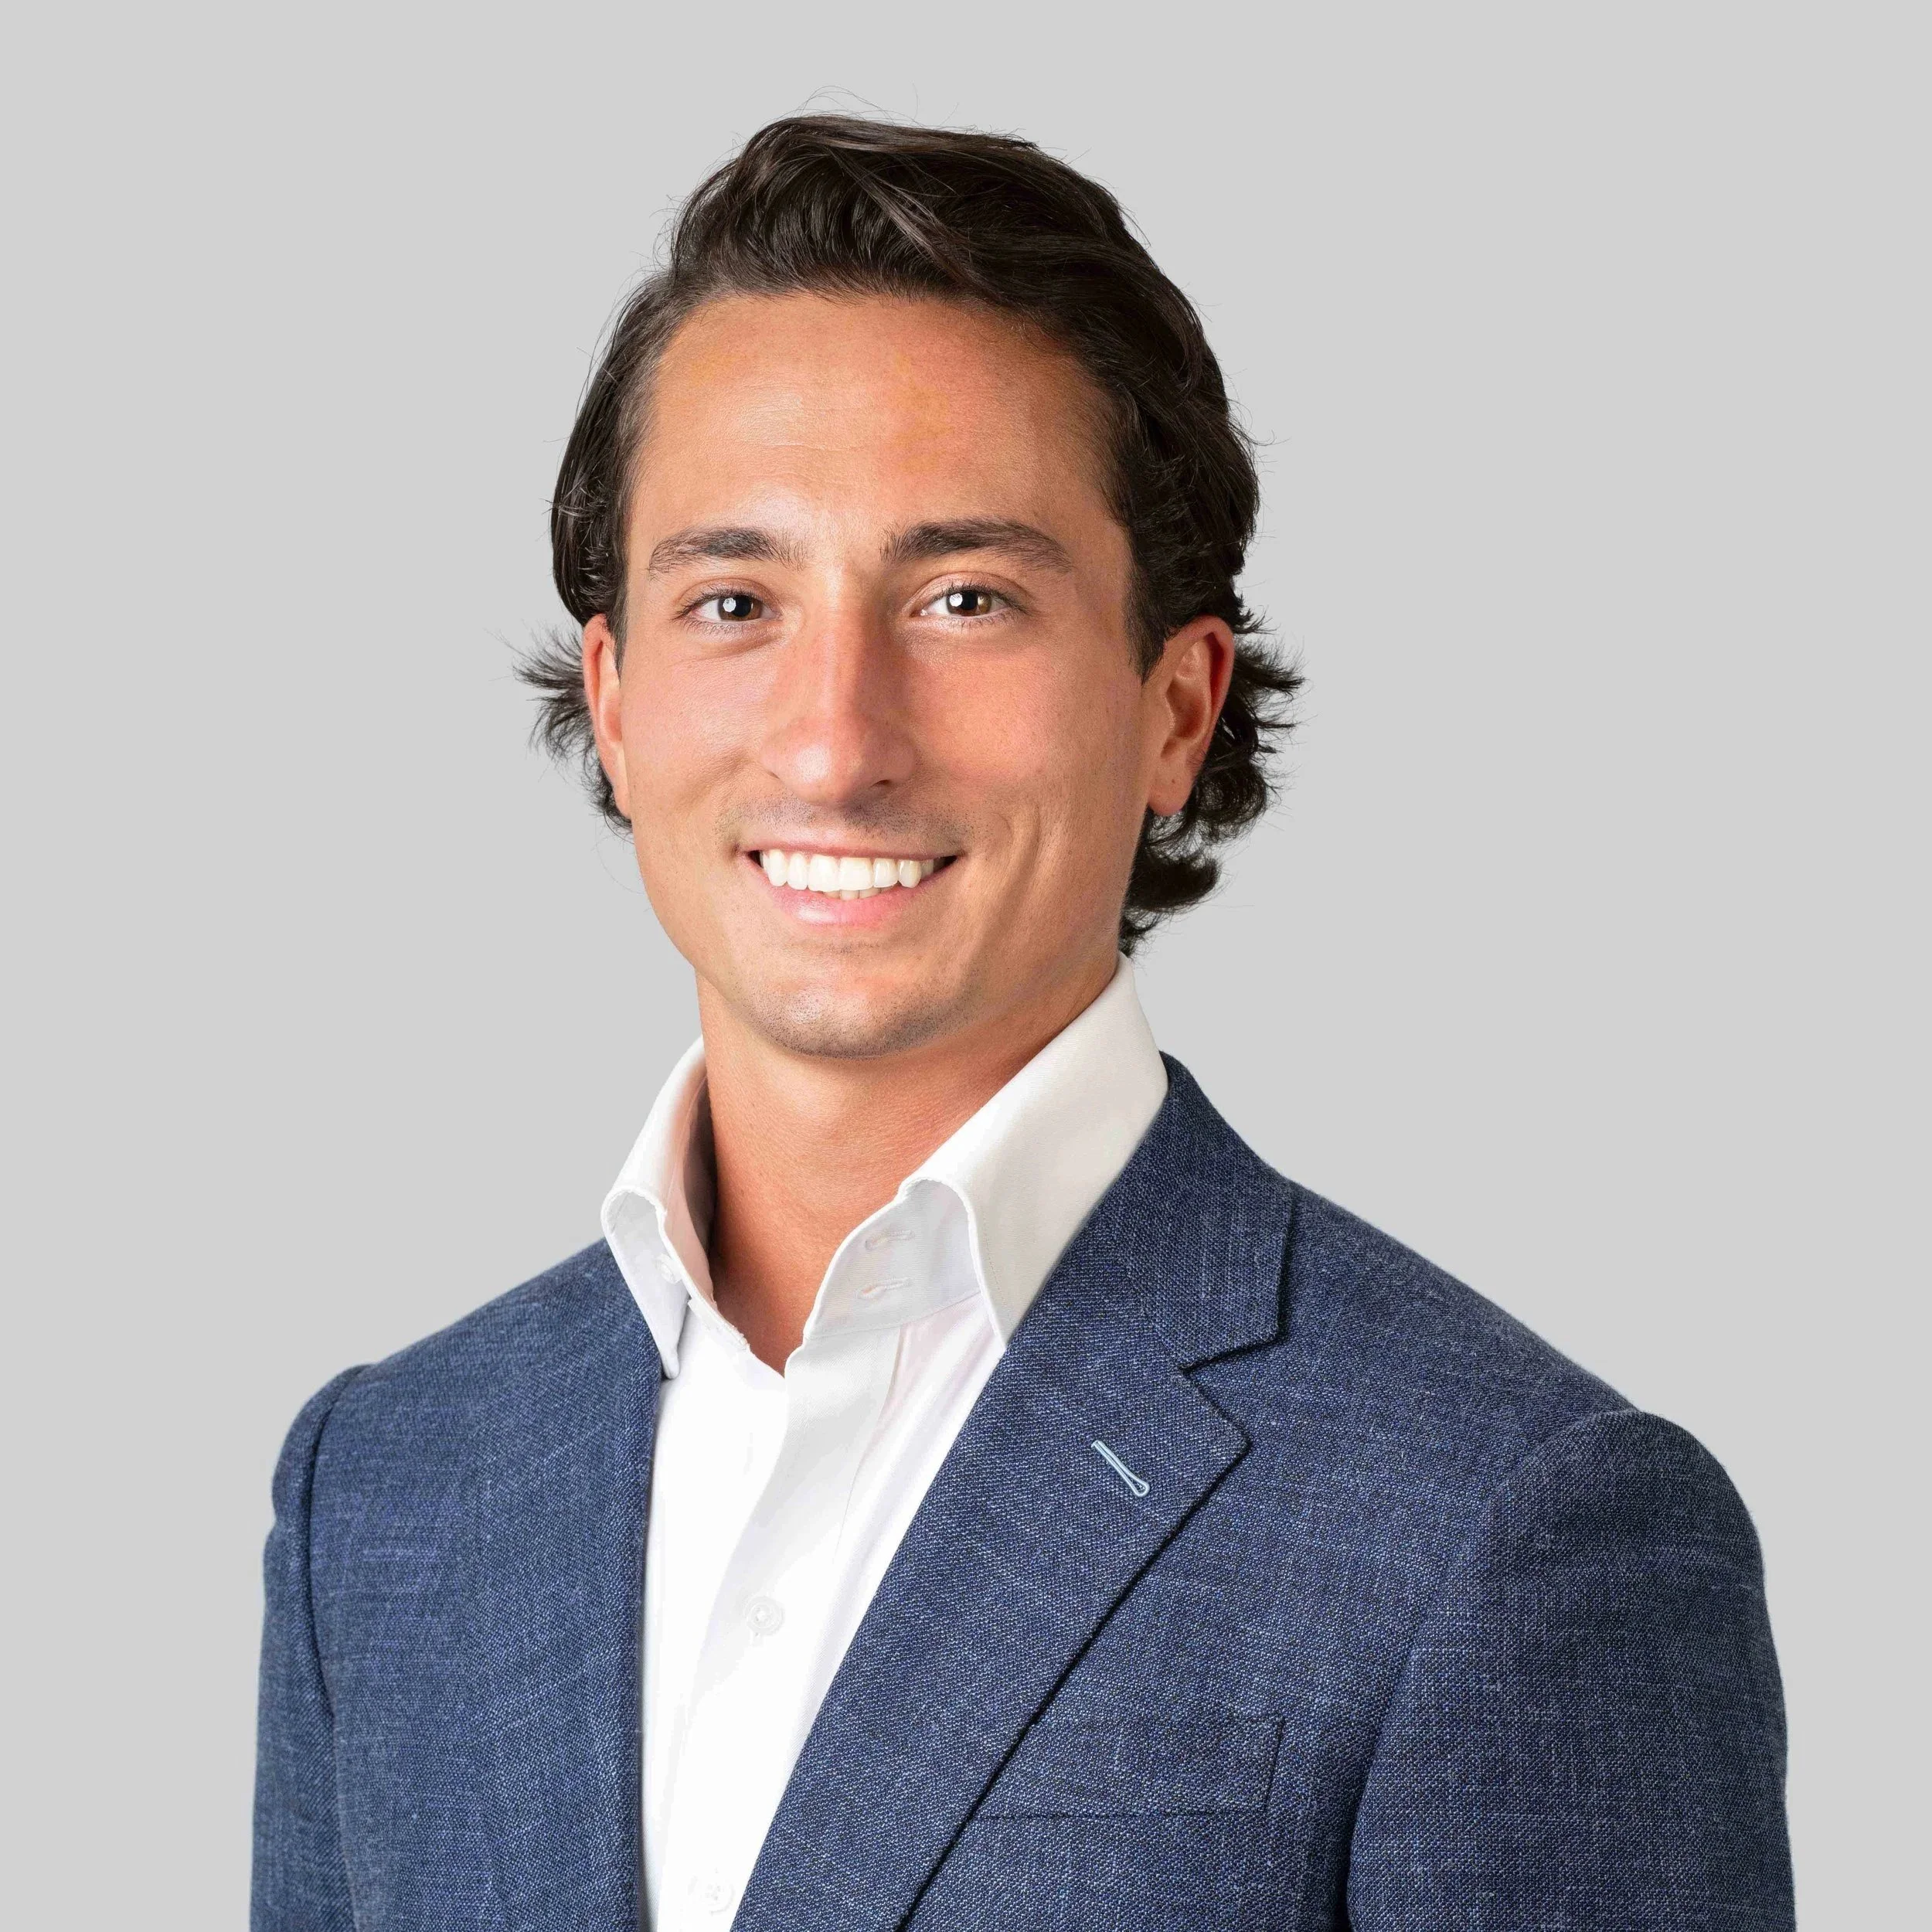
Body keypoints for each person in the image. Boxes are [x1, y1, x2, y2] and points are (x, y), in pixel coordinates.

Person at [252, 115, 1794, 1932]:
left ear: (1174, 706)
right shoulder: (392, 1486)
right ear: (614, 698)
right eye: (733, 602)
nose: (835, 738)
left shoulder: (1501, 1522)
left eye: (964, 599)